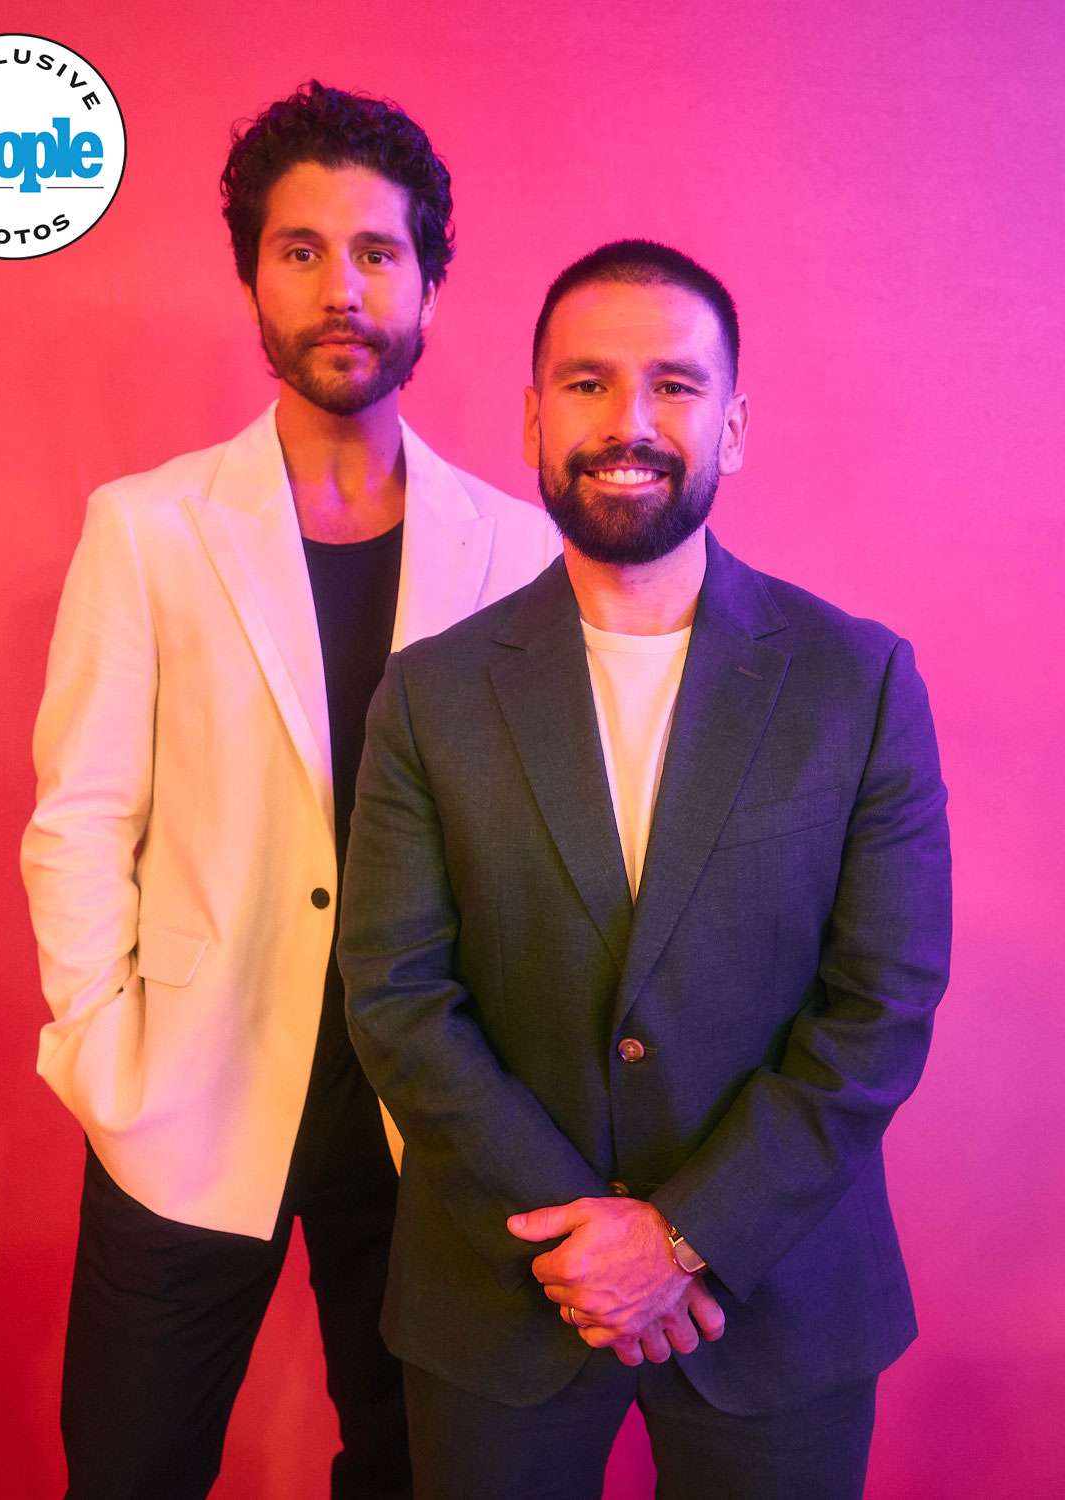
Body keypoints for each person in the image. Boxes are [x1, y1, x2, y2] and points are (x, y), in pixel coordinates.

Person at [338, 239, 952, 1500]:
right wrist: (591, 1242)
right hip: (503, 1296)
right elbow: (398, 997)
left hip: (778, 1300)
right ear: (530, 417)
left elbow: (881, 1006)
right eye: (587, 384)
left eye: (674, 386)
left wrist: (681, 1237)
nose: (631, 423)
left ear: (732, 426)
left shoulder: (859, 680)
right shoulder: (431, 696)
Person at [20, 80, 559, 1500]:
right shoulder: (146, 529)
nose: (341, 289)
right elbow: (79, 814)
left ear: (429, 283)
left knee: (410, 1469)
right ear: (252, 277)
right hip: (189, 1096)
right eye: (301, 250)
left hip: (427, 1113)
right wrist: (100, 1050)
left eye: (378, 253)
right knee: (129, 1467)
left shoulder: (511, 550)